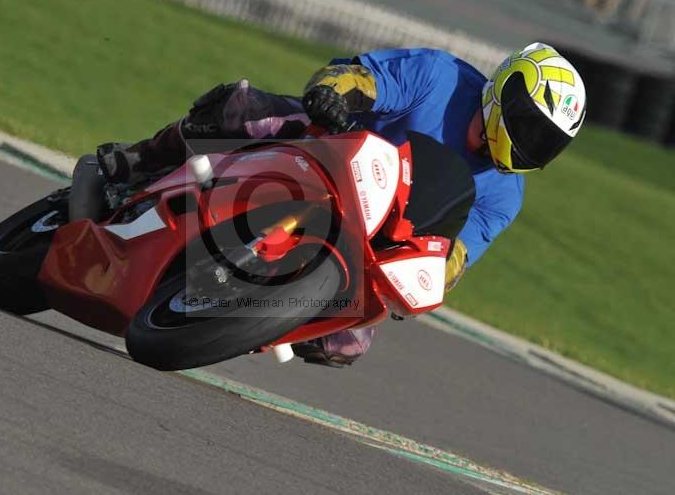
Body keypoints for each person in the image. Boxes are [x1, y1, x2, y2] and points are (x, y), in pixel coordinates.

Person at [89, 42, 587, 367]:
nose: (528, 145)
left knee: (345, 343)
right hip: (324, 154)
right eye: (529, 126)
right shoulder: (440, 76)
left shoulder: (505, 196)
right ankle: (140, 161)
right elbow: (358, 78)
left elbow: (454, 255)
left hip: (367, 240)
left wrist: (431, 275)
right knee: (248, 112)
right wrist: (332, 94)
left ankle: (245, 318)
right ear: (505, 95)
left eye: (546, 143)